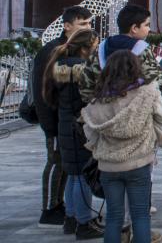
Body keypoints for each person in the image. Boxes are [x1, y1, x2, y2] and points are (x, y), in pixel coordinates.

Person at [82, 50, 162, 243]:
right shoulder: (147, 92)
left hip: (108, 165)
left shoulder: (99, 99)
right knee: (140, 215)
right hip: (139, 161)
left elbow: (90, 131)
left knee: (114, 216)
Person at [32, 5, 92, 230]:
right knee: (57, 162)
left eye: (88, 23)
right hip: (57, 121)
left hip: (72, 122)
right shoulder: (52, 51)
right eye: (82, 24)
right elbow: (42, 92)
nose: (87, 28)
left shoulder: (75, 52)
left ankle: (66, 208)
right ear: (67, 26)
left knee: (70, 166)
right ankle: (50, 208)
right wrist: (49, 126)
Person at [44, 28, 104, 239]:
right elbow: (89, 98)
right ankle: (84, 222)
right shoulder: (84, 70)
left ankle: (71, 218)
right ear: (86, 48)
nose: (97, 50)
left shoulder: (57, 66)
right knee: (82, 176)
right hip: (80, 126)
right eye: (95, 46)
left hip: (64, 125)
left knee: (73, 174)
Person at [80, 4, 162, 106]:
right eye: (147, 25)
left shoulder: (100, 48)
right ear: (134, 28)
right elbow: (160, 88)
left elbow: (86, 88)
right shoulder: (142, 50)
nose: (149, 29)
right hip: (134, 113)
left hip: (103, 113)